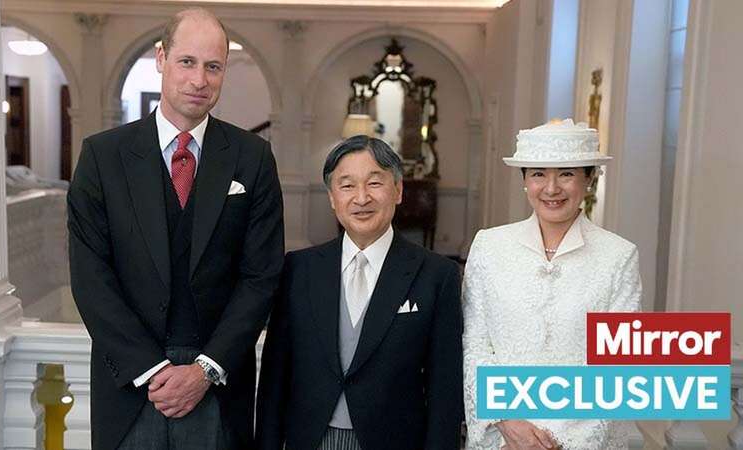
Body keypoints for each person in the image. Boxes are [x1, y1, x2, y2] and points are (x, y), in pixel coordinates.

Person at [67, 7, 284, 450]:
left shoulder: (253, 158)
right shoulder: (102, 158)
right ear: (162, 58)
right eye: (187, 62)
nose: (199, 80)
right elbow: (91, 279)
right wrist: (154, 370)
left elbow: (261, 277)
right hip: (129, 387)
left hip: (219, 388)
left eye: (213, 67)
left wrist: (205, 370)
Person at [256, 135, 463, 450]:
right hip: (310, 438)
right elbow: (274, 377)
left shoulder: (437, 275)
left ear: (398, 190)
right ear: (331, 197)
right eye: (347, 185)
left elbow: (444, 387)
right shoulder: (299, 270)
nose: (361, 197)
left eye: (375, 183)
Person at [462, 119, 641, 450]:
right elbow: (475, 346)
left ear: (589, 179)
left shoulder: (619, 256)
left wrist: (552, 441)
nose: (551, 188)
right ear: (525, 180)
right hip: (502, 439)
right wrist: (509, 425)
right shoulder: (489, 246)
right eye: (538, 173)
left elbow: (617, 363)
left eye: (567, 173)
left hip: (580, 440)